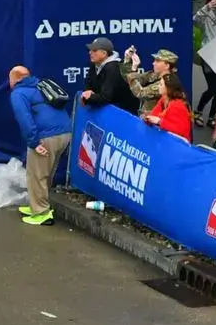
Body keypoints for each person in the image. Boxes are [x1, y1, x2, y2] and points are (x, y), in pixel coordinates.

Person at [7, 66, 71, 226]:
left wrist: (34, 142)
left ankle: (41, 213)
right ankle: (37, 205)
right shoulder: (41, 85)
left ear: (16, 78)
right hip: (65, 133)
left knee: (36, 175)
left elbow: (24, 119)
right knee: (47, 173)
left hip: (45, 137)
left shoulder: (18, 93)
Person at [78, 38, 138, 113]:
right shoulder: (94, 64)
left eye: (94, 50)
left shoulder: (113, 68)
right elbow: (88, 83)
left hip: (123, 113)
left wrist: (88, 97)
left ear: (104, 53)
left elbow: (106, 97)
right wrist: (87, 93)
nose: (90, 52)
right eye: (90, 50)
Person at [145, 75, 193, 141]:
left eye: (161, 85)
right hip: (166, 138)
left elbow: (180, 130)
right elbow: (153, 114)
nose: (158, 86)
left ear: (168, 88)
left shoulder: (177, 105)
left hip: (178, 143)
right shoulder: (163, 100)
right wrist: (148, 119)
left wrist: (159, 121)